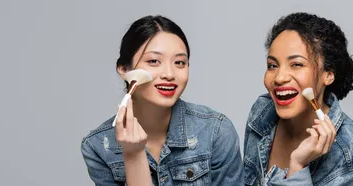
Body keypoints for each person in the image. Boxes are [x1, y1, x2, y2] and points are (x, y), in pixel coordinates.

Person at [80, 15, 243, 186]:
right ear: (124, 69)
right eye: (154, 61)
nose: (169, 74)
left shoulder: (215, 132)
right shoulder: (98, 146)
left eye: (180, 62)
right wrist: (133, 155)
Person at [243, 12, 353, 185]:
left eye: (297, 64)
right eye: (272, 65)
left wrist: (298, 166)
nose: (279, 77)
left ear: (328, 74)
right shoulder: (262, 111)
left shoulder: (351, 154)